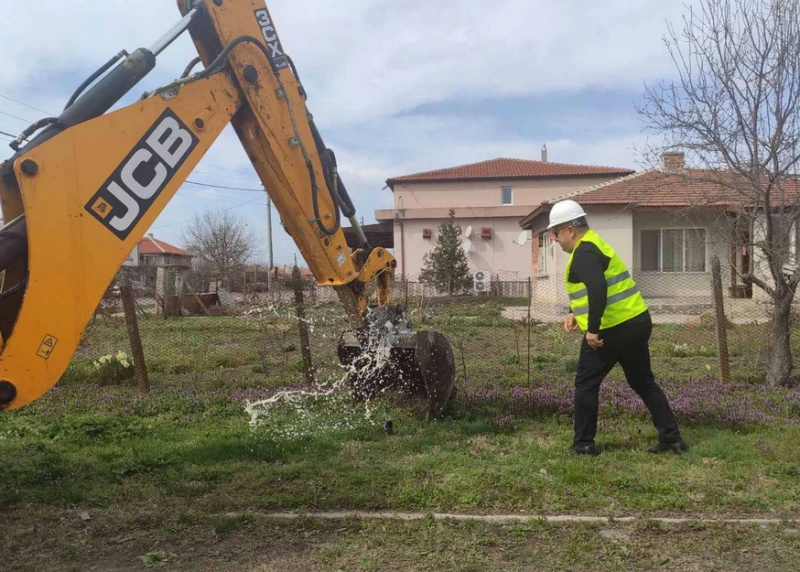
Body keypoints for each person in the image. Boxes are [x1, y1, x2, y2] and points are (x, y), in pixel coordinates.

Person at [548, 199, 687, 456]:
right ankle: (671, 439)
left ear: (569, 230)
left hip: (612, 329)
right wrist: (573, 312)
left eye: (555, 233)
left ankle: (583, 444)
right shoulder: (594, 245)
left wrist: (592, 329)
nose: (554, 239)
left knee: (586, 383)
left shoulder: (584, 253)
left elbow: (598, 289)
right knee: (643, 382)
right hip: (636, 321)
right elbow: (599, 287)